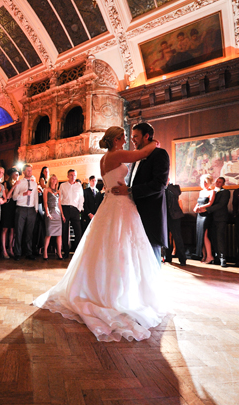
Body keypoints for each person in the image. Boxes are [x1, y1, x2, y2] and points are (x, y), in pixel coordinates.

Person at [34, 126, 165, 342]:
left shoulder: (104, 159)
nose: (127, 140)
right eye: (124, 137)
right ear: (115, 139)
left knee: (108, 246)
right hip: (120, 203)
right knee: (120, 246)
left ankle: (101, 288)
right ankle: (117, 294)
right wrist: (154, 143)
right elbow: (142, 153)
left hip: (110, 203)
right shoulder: (117, 155)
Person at [111, 122, 170, 263]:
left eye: (135, 136)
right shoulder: (136, 157)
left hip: (151, 213)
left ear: (146, 136)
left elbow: (159, 184)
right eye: (131, 137)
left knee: (151, 257)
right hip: (134, 213)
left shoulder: (159, 154)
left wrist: (130, 190)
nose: (132, 140)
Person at [11, 164, 38, 260]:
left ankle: (29, 252)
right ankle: (17, 253)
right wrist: (24, 194)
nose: (29, 172)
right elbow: (14, 197)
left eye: (31, 170)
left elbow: (35, 197)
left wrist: (36, 209)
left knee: (29, 232)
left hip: (31, 209)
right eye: (27, 170)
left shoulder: (34, 184)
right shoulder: (19, 183)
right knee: (19, 231)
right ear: (23, 172)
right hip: (20, 208)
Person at [203, 177, 230, 267]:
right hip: (210, 218)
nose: (217, 183)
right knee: (213, 238)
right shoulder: (212, 191)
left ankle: (223, 259)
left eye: (220, 182)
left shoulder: (225, 192)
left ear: (223, 184)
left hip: (220, 218)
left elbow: (221, 204)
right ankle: (216, 257)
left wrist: (206, 209)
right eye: (217, 181)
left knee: (220, 238)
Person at [59, 169, 84, 258]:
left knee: (78, 231)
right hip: (65, 208)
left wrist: (79, 209)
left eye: (74, 175)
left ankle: (77, 252)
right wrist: (61, 211)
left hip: (75, 210)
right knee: (65, 231)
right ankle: (65, 251)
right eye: (71, 175)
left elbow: (81, 198)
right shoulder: (62, 185)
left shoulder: (79, 186)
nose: (73, 177)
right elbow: (60, 198)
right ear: (68, 176)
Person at [193, 174, 215, 263]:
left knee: (205, 235)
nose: (204, 183)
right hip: (199, 216)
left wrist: (201, 207)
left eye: (206, 182)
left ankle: (210, 256)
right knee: (200, 236)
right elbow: (198, 202)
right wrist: (196, 207)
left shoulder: (212, 191)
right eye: (203, 182)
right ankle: (204, 256)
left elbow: (210, 204)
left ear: (209, 182)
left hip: (206, 216)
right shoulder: (201, 192)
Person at [42, 174, 64, 260]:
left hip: (57, 214)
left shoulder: (58, 191)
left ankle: (59, 253)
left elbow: (59, 204)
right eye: (52, 178)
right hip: (50, 212)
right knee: (49, 234)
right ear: (50, 180)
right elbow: (45, 203)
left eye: (55, 178)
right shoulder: (46, 190)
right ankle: (45, 252)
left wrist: (62, 214)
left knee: (59, 235)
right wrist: (47, 213)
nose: (54, 180)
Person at [165, 178, 186, 266]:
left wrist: (166, 185)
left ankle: (182, 259)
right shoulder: (160, 188)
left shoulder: (174, 187)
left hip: (175, 216)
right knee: (165, 238)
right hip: (165, 216)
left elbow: (177, 193)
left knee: (177, 237)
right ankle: (168, 257)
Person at [0, 168, 18, 258]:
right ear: (11, 175)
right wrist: (14, 187)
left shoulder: (18, 184)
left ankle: (10, 248)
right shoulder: (6, 183)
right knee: (5, 229)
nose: (17, 176)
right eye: (16, 174)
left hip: (15, 207)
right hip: (7, 207)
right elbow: (7, 196)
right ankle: (3, 249)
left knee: (12, 229)